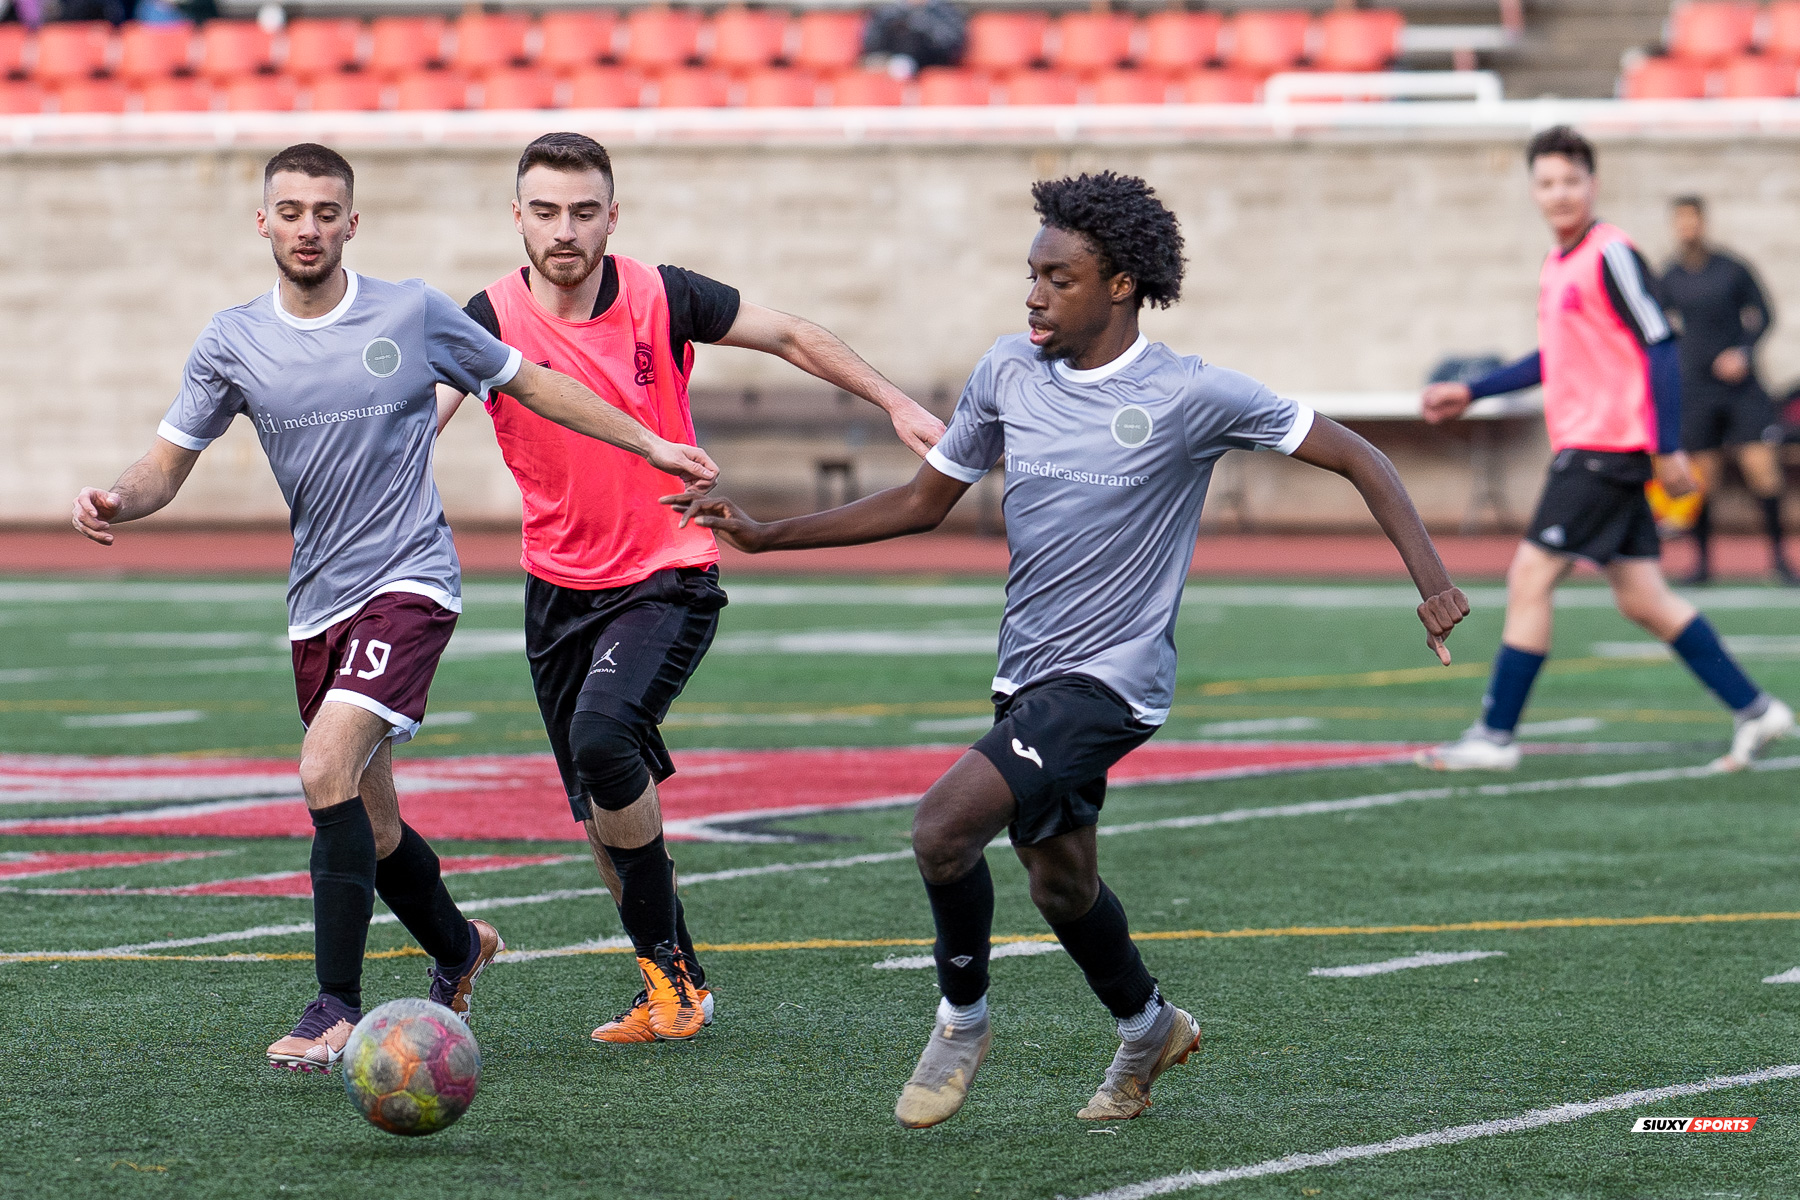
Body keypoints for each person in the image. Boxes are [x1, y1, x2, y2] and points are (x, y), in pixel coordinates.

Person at [666, 171, 1469, 1126]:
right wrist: (768, 534)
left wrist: (1434, 583)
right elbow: (925, 502)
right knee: (1060, 881)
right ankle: (1148, 1025)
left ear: (1121, 284)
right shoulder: (1007, 369)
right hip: (1029, 675)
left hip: (1114, 683)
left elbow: (1358, 455)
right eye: (1031, 274)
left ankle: (961, 1021)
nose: (1035, 295)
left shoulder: (1191, 392)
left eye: (1060, 277)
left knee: (941, 829)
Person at [69, 143, 719, 1072]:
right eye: (289, 211)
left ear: (350, 223)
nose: (307, 227)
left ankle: (333, 1005)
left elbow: (532, 382)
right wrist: (117, 501)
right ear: (265, 223)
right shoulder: (230, 340)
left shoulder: (411, 312)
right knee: (367, 823)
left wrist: (648, 444)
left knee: (321, 766)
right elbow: (169, 461)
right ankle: (460, 947)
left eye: (325, 212)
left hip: (409, 583)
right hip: (316, 603)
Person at [434, 132, 944, 1044]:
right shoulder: (487, 319)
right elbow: (424, 415)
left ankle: (670, 980)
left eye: (584, 211)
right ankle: (677, 986)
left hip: (668, 568)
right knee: (597, 808)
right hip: (555, 589)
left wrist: (895, 401)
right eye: (545, 212)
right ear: (517, 219)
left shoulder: (659, 294)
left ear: (612, 217)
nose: (565, 231)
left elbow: (789, 331)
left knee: (603, 736)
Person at [1417, 127, 1793, 772]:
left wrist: (1669, 446)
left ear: (1593, 185)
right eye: (1547, 182)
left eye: (1571, 180)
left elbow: (1661, 342)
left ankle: (1495, 737)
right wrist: (1474, 390)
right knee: (1642, 597)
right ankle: (1758, 711)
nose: (1559, 193)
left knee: (1530, 577)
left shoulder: (1611, 253)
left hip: (1604, 448)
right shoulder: (1559, 263)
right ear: (1533, 191)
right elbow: (1556, 357)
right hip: (1598, 448)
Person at [1659, 195, 1791, 585]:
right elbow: (1658, 329)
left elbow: (1764, 315)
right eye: (1680, 221)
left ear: (1703, 222)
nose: (1688, 227)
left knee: (1762, 470)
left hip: (1741, 391)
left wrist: (1743, 353)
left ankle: (1781, 562)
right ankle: (1701, 565)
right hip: (1696, 392)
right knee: (1703, 479)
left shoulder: (1731, 269)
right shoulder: (1668, 276)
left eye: (1693, 220)